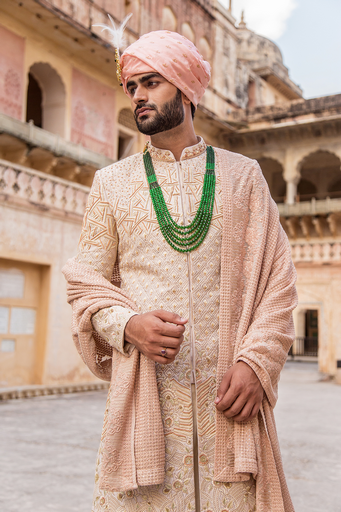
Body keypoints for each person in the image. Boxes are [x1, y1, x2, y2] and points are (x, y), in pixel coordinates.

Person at [63, 29, 297, 512]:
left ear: (186, 88)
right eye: (132, 87)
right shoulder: (111, 184)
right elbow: (85, 282)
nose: (139, 96)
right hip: (147, 406)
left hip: (230, 407)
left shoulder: (243, 176)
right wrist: (128, 325)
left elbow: (278, 282)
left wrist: (257, 363)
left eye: (152, 82)